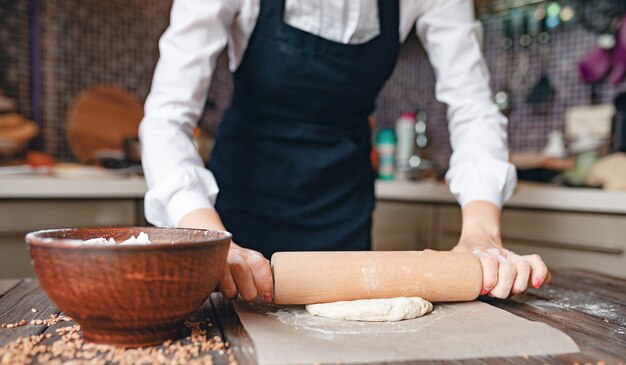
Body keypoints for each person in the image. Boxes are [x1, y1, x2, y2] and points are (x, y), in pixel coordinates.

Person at [140, 0, 549, 304]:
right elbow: (166, 118)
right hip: (239, 202)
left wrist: (481, 233)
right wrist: (210, 238)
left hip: (341, 202)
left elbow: (474, 109)